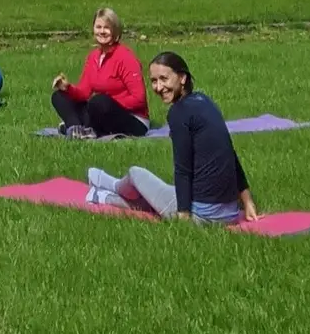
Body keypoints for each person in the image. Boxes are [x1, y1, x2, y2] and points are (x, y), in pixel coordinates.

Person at [87, 52, 259, 225]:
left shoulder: (179, 113)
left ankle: (108, 187)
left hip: (203, 215)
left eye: (164, 79)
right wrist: (247, 201)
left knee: (135, 173)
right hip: (230, 212)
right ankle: (102, 194)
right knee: (159, 194)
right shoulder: (205, 101)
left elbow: (182, 168)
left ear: (182, 78)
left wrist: (183, 215)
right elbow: (231, 154)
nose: (159, 87)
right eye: (154, 81)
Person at [49, 6, 147, 138]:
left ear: (115, 30)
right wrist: (67, 88)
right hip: (100, 110)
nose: (102, 31)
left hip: (133, 119)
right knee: (59, 97)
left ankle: (87, 127)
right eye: (98, 27)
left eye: (106, 28)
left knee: (99, 102)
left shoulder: (126, 57)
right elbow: (84, 92)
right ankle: (75, 128)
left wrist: (110, 103)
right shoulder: (93, 57)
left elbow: (139, 99)